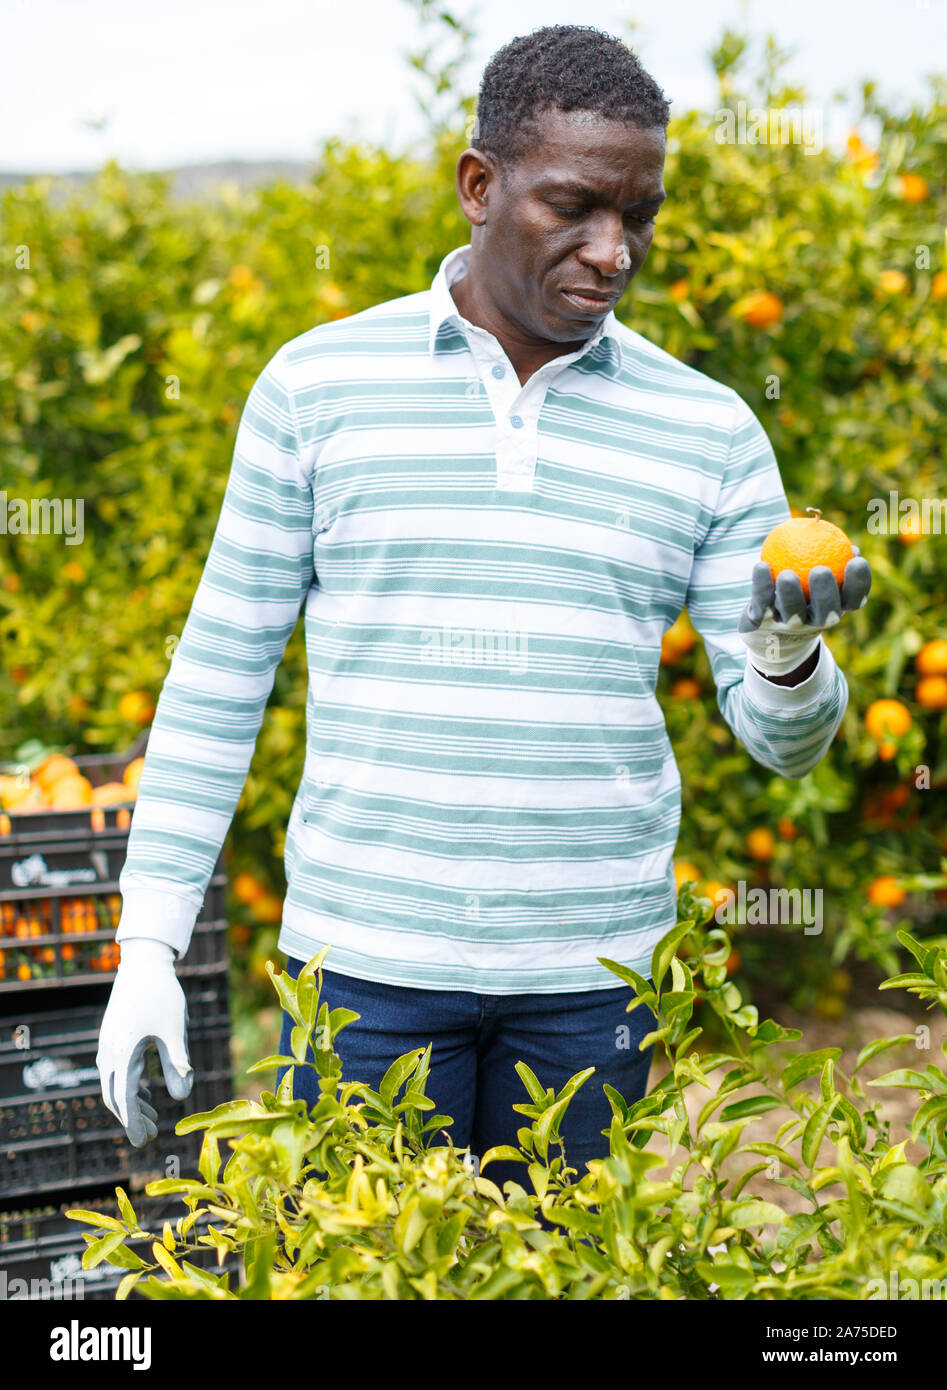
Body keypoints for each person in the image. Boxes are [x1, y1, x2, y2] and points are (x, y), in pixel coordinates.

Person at [97, 25, 870, 1190]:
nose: (613, 251)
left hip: (590, 981)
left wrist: (786, 654)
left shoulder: (706, 429)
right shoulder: (316, 389)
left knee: (557, 1271)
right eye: (574, 207)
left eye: (638, 216)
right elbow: (219, 671)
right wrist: (147, 941)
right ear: (478, 185)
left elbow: (781, 744)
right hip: (360, 970)